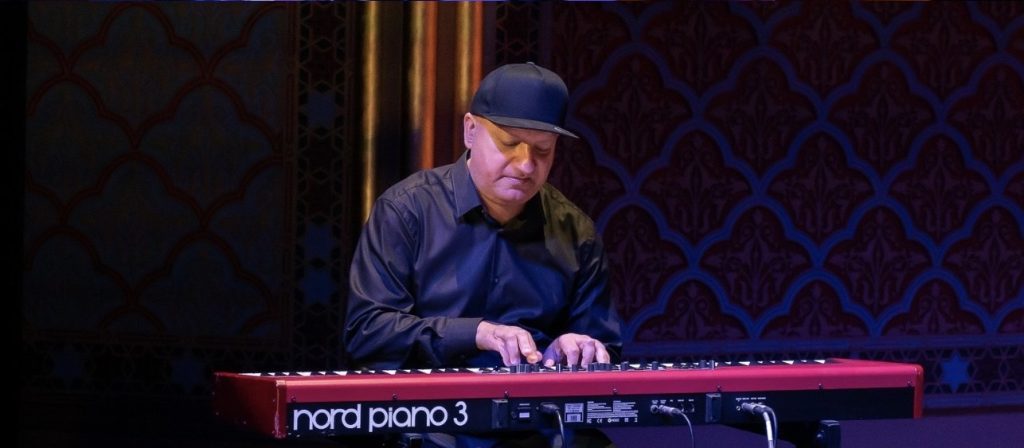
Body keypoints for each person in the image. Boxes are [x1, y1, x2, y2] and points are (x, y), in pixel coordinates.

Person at [344, 62, 622, 448]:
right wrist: (477, 334)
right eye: (509, 144)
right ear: (470, 130)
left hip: (533, 426)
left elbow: (604, 351)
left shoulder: (577, 232)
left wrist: (575, 348)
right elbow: (368, 331)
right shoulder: (407, 211)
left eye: (542, 150)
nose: (526, 165)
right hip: (427, 416)